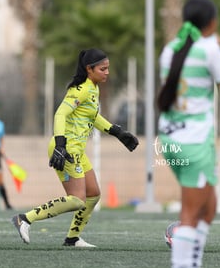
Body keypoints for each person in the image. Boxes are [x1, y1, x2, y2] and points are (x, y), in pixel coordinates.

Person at [11, 48, 139, 247]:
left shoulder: (93, 87)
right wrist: (60, 146)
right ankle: (25, 218)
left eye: (108, 69)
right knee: (77, 200)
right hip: (66, 148)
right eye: (103, 69)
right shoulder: (82, 89)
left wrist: (117, 132)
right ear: (90, 69)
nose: (107, 72)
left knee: (93, 194)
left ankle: (72, 238)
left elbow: (91, 116)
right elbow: (60, 114)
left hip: (77, 150)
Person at [157, 0, 220, 268]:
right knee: (191, 213)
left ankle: (193, 261)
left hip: (170, 138)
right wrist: (218, 53)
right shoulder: (210, 50)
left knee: (209, 208)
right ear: (212, 22)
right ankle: (184, 264)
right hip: (193, 141)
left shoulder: (170, 50)